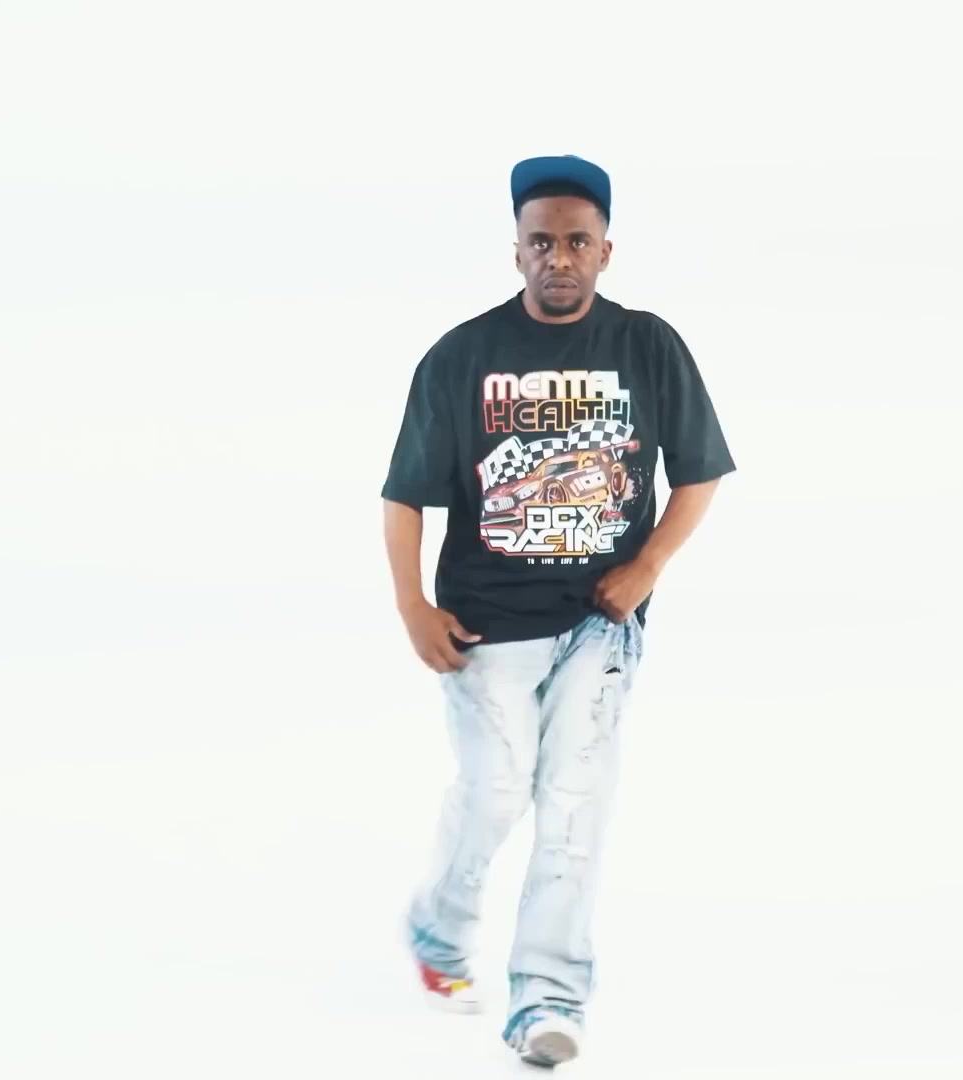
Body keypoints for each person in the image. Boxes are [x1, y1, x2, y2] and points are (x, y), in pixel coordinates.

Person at [380, 154, 737, 1068]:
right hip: (484, 623)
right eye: (542, 242)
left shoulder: (648, 346)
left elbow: (699, 475)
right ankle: (440, 925)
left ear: (605, 251)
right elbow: (405, 494)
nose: (559, 258)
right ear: (517, 251)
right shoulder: (462, 357)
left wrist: (647, 565)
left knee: (574, 807)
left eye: (578, 241)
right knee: (498, 791)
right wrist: (412, 604)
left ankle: (547, 997)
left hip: (598, 626)